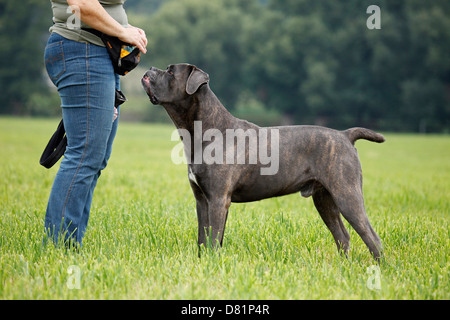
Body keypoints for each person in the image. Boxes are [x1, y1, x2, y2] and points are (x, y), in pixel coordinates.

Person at [43, 0, 148, 247]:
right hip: (82, 51)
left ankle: (70, 241)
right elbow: (81, 4)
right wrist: (122, 31)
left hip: (98, 53)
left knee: (95, 158)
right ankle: (59, 247)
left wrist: (124, 25)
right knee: (84, 155)